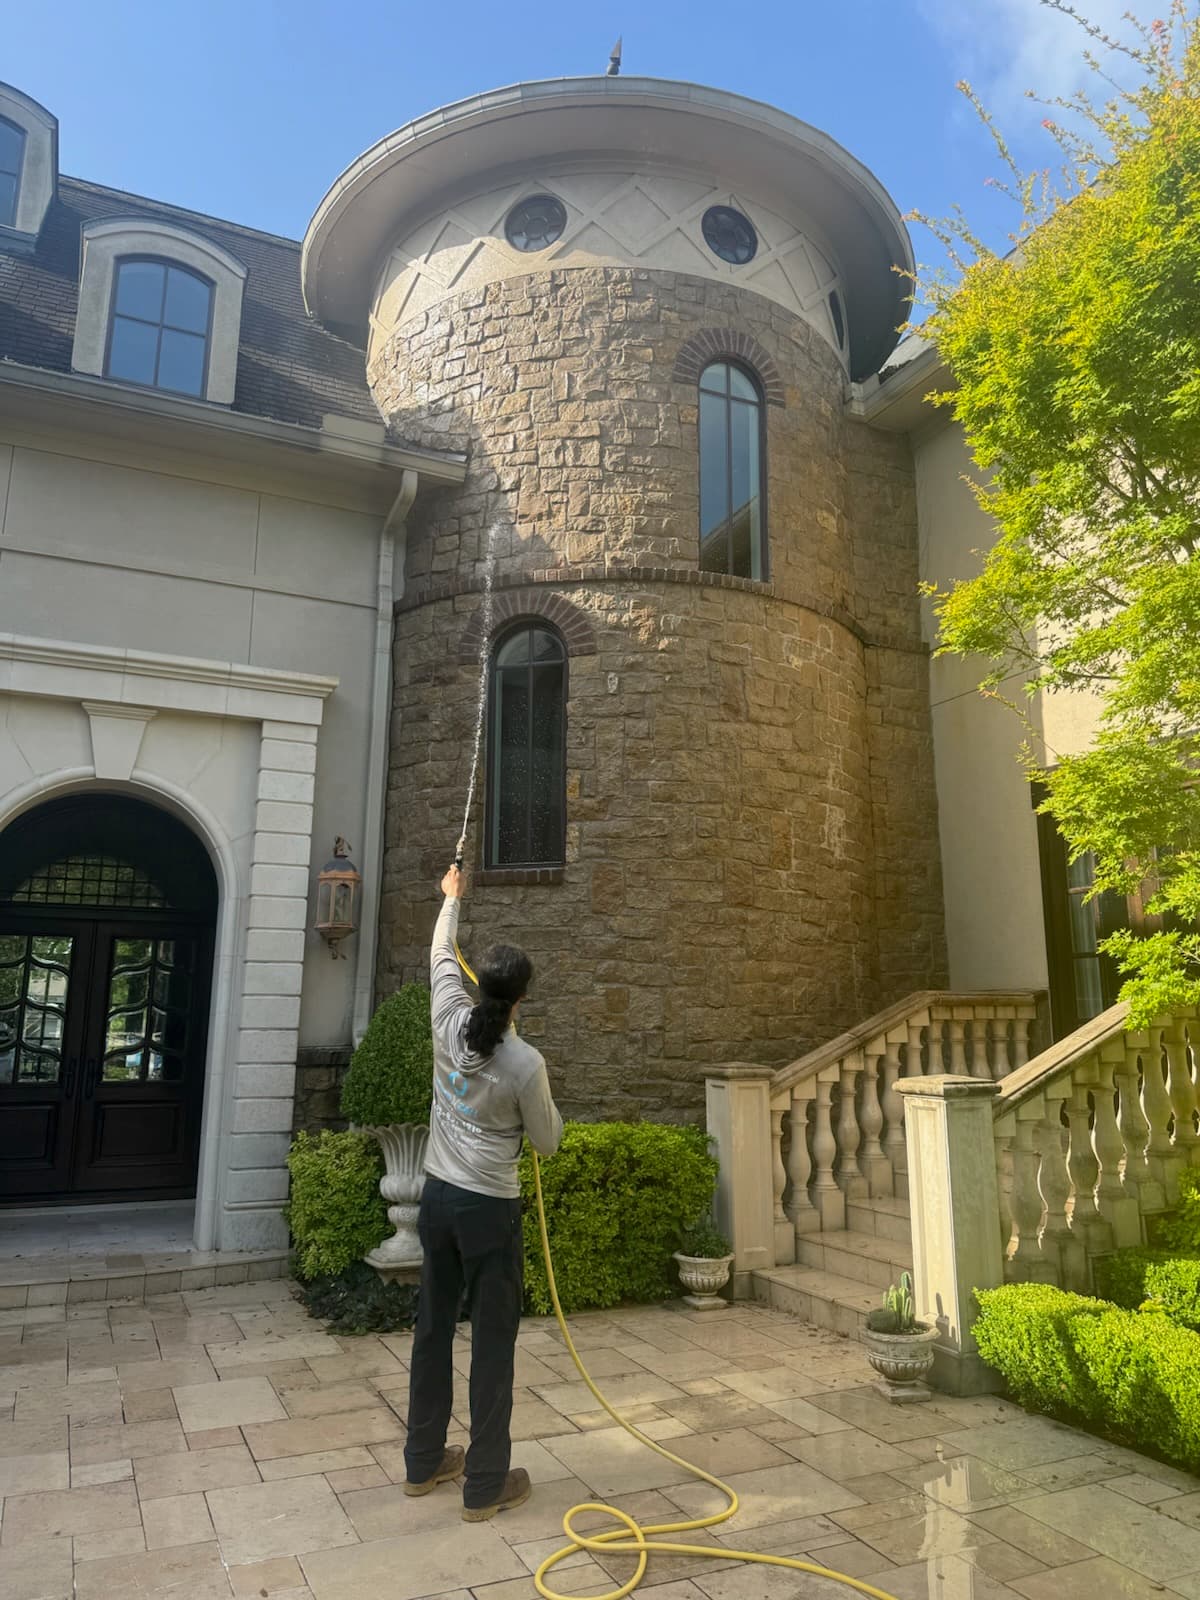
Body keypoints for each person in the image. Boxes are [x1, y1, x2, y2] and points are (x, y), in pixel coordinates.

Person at [403, 863, 564, 1521]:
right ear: (520, 998)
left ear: (478, 984)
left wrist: (450, 899)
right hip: (490, 1210)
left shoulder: (448, 1017)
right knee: (492, 1341)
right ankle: (484, 1484)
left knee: (433, 1328)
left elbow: (440, 951)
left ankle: (422, 1463)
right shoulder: (523, 1062)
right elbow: (547, 1141)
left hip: (437, 1198)